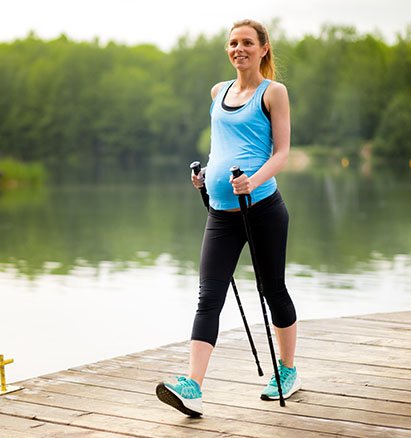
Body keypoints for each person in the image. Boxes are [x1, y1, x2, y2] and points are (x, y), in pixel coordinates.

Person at [156, 19, 301, 416]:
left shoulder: (274, 93)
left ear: (263, 49)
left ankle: (287, 370)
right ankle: (193, 386)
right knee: (208, 297)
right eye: (233, 43)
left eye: (248, 43)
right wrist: (206, 175)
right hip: (220, 212)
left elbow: (282, 152)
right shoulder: (218, 92)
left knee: (273, 291)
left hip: (262, 210)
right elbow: (221, 146)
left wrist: (253, 180)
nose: (239, 49)